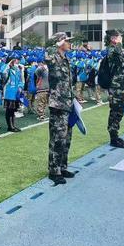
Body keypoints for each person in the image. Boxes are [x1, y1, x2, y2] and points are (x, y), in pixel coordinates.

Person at [46, 32, 75, 185]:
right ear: (59, 43)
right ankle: (54, 170)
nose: (69, 43)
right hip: (57, 104)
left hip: (67, 103)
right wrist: (54, 45)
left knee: (66, 138)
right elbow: (47, 56)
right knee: (57, 138)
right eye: (66, 41)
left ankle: (63, 166)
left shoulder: (66, 59)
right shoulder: (53, 57)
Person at [105, 30, 124, 148]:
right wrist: (118, 43)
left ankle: (115, 136)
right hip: (115, 87)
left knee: (119, 111)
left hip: (121, 86)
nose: (121, 39)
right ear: (114, 39)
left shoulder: (117, 49)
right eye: (119, 37)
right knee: (115, 112)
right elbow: (118, 57)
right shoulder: (112, 49)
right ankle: (113, 138)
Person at [2, 56, 24, 132]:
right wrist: (8, 65)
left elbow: (20, 80)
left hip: (16, 93)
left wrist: (20, 87)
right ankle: (10, 126)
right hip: (9, 93)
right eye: (13, 61)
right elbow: (3, 74)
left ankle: (13, 125)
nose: (15, 62)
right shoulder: (7, 69)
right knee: (9, 110)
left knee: (13, 110)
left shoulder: (17, 69)